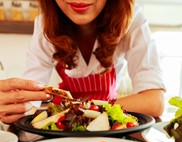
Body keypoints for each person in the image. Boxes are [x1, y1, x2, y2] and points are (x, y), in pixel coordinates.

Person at [22, 0, 165, 117]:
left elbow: (154, 102)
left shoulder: (131, 19)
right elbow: (29, 99)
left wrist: (87, 110)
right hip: (65, 124)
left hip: (107, 120)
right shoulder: (45, 25)